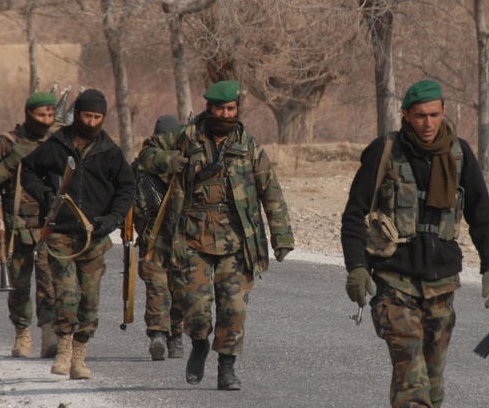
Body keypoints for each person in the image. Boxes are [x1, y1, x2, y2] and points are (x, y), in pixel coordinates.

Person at [340, 79, 489, 408]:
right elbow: (353, 215)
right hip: (394, 278)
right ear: (406, 117)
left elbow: (482, 216)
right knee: (408, 354)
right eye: (420, 116)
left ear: (444, 112)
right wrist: (357, 267)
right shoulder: (386, 152)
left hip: (442, 281)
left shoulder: (459, 154)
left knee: (433, 371)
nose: (428, 123)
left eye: (434, 115)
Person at [137, 80, 294, 391]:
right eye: (221, 108)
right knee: (194, 306)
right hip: (191, 239)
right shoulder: (184, 138)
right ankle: (198, 344)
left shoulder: (248, 146)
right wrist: (170, 161)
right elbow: (146, 154)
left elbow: (270, 191)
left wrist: (281, 236)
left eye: (232, 108)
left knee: (233, 308)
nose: (226, 113)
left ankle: (227, 367)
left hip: (237, 241)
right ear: (208, 108)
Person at [20, 89, 134, 380]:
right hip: (61, 234)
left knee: (89, 301)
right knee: (68, 295)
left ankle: (80, 356)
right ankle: (64, 350)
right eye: (87, 116)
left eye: (98, 117)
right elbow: (29, 171)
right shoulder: (56, 145)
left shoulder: (110, 151)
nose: (92, 122)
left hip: (95, 238)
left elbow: (126, 188)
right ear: (77, 114)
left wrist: (115, 218)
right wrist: (45, 194)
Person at [0, 91, 59, 359]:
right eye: (40, 115)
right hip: (17, 227)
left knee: (51, 285)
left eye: (50, 114)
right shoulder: (9, 143)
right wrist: (13, 160)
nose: (46, 120)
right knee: (20, 287)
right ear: (28, 115)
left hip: (50, 224)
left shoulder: (58, 141)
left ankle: (50, 333)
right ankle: (22, 333)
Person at [133, 114, 186, 361]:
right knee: (158, 287)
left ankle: (175, 335)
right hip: (152, 238)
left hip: (179, 238)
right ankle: (158, 334)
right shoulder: (141, 167)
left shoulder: (183, 166)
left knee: (179, 287)